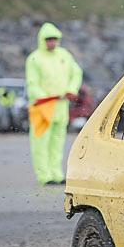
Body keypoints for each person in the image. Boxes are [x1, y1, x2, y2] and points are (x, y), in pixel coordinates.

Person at [25, 22, 83, 185]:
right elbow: (32, 83)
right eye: (48, 39)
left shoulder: (64, 55)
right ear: (42, 40)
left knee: (57, 142)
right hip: (42, 108)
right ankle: (44, 176)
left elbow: (76, 73)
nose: (52, 42)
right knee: (40, 143)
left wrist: (72, 89)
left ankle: (56, 174)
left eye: (54, 39)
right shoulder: (34, 58)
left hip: (61, 107)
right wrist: (44, 97)